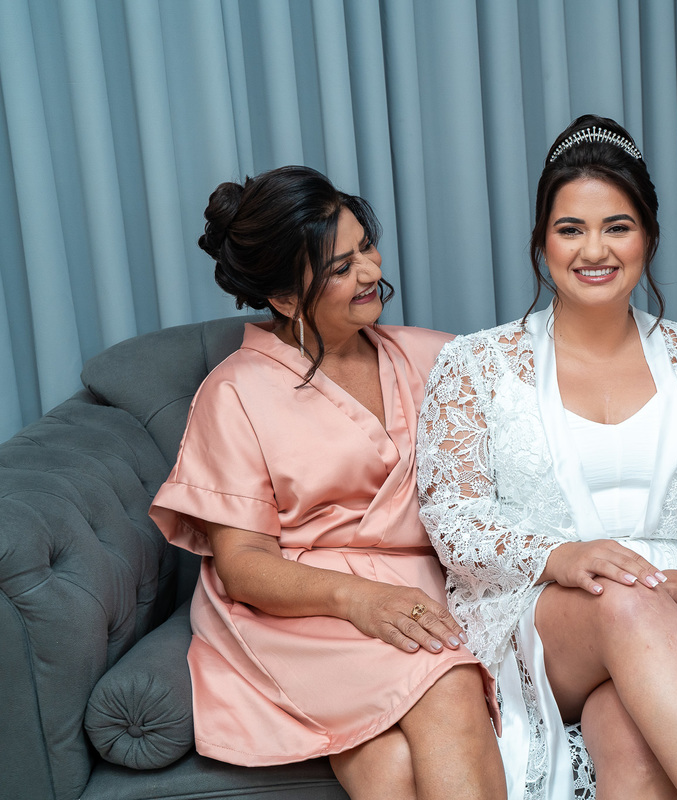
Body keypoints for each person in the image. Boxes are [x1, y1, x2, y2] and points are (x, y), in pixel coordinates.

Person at [416, 116, 677, 800]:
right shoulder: (475, 364)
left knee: (633, 750)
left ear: (649, 238)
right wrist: (560, 557)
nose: (593, 250)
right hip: (539, 616)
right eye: (570, 228)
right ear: (541, 242)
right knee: (623, 604)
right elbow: (453, 516)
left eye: (617, 226)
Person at [149, 166, 506, 800]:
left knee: (389, 766)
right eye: (340, 268)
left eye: (364, 247)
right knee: (449, 681)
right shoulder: (235, 393)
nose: (370, 271)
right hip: (301, 608)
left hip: (424, 587)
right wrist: (360, 601)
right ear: (285, 299)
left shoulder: (437, 358)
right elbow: (244, 565)